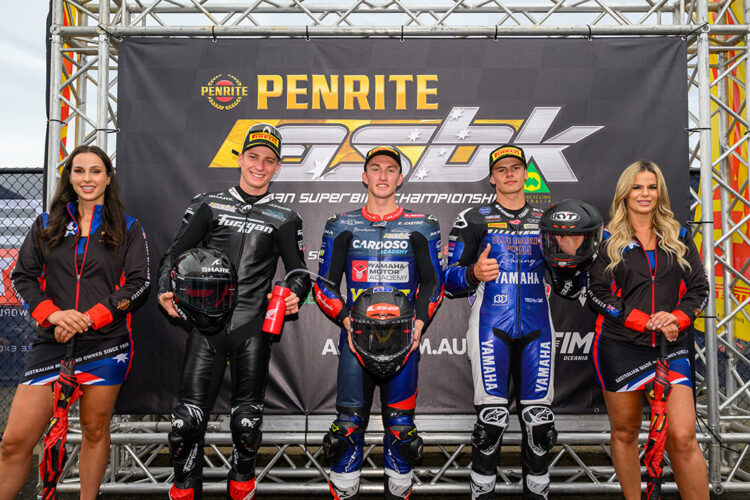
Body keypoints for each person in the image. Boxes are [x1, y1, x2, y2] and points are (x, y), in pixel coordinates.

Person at [156, 123, 311, 500]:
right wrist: (164, 289)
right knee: (185, 424)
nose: (260, 165)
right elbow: (174, 255)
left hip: (253, 329)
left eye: (269, 160)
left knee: (246, 424)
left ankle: (242, 485)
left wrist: (294, 294)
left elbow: (299, 272)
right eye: (253, 157)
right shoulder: (208, 204)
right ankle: (185, 490)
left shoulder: (285, 216)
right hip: (204, 328)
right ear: (240, 159)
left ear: (277, 167)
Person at [0, 145, 151, 500]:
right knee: (13, 442)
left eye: (96, 171)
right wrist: (52, 314)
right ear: (68, 177)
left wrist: (89, 318)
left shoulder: (128, 227)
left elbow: (140, 284)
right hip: (51, 341)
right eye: (79, 170)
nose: (87, 178)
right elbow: (21, 277)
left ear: (108, 177)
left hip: (106, 344)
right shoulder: (45, 224)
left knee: (94, 431)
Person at [443, 145, 590, 500]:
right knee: (491, 422)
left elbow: (569, 289)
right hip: (490, 327)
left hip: (538, 328)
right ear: (492, 178)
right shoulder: (473, 219)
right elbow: (447, 282)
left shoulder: (548, 220)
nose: (509, 173)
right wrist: (473, 273)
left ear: (526, 174)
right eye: (502, 169)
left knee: (539, 424)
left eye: (516, 167)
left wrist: (571, 262)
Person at [314, 146, 444, 500]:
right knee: (346, 429)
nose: (383, 175)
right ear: (364, 176)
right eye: (375, 168)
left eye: (390, 169)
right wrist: (346, 321)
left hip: (404, 342)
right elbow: (323, 285)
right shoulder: (341, 224)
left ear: (400, 178)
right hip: (355, 341)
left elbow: (433, 283)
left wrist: (419, 323)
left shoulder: (423, 225)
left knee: (402, 432)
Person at [586, 160, 709, 500]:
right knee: (626, 433)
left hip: (671, 346)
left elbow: (699, 289)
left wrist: (677, 318)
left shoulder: (679, 236)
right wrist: (642, 320)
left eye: (652, 187)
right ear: (625, 194)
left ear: (660, 192)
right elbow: (596, 294)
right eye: (637, 187)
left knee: (682, 436)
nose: (645, 194)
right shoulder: (605, 240)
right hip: (620, 345)